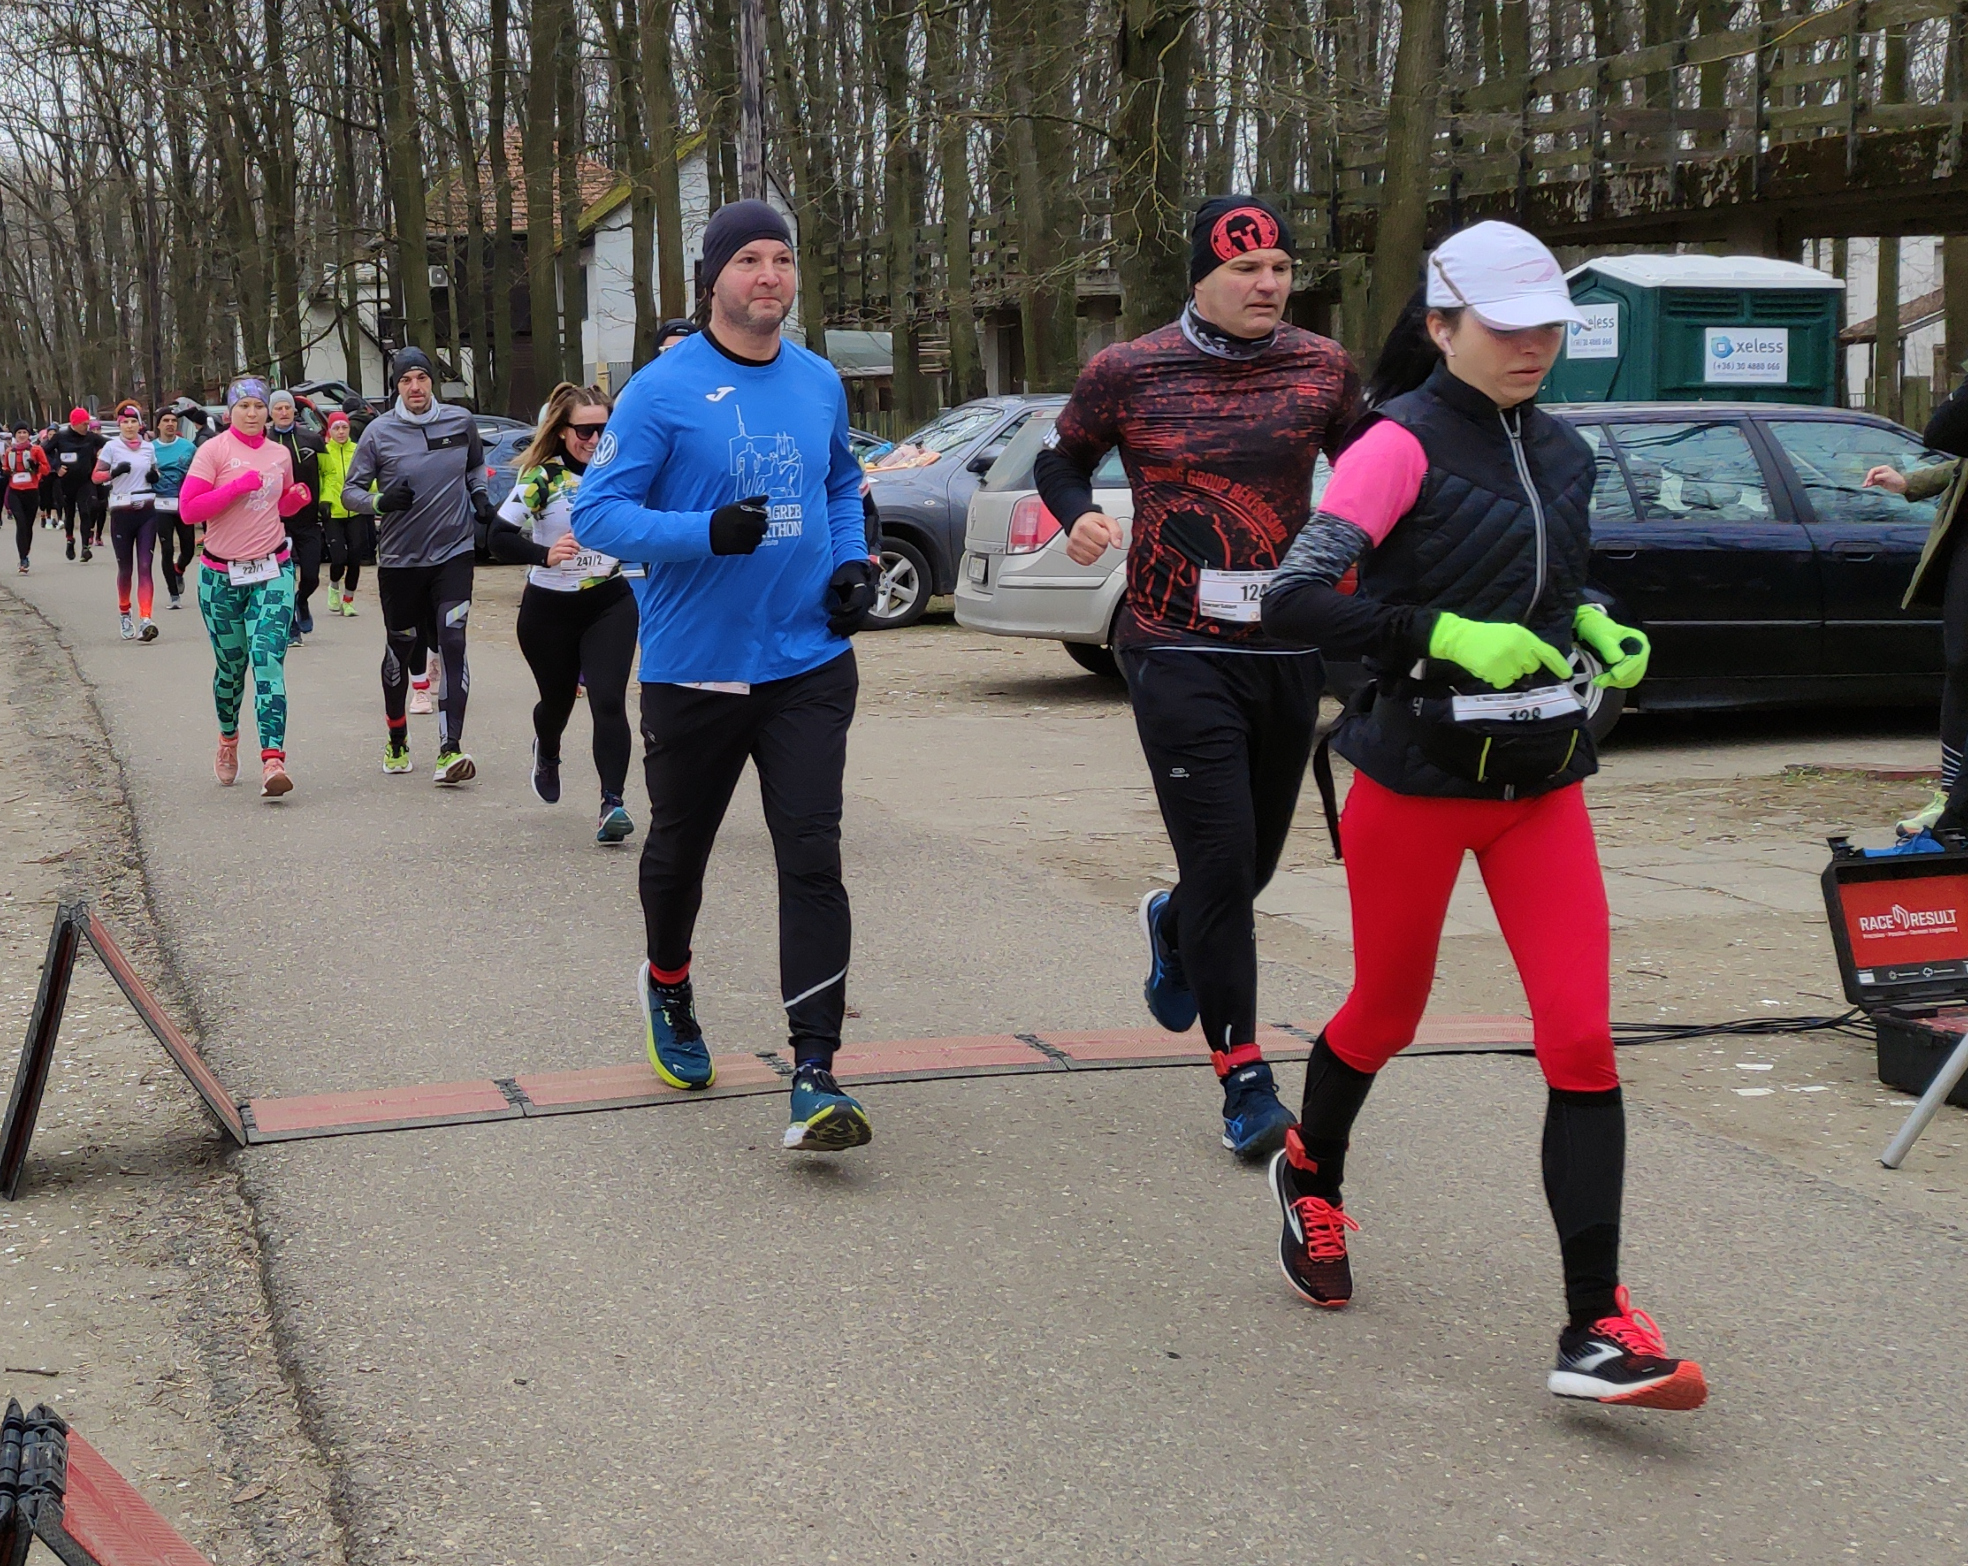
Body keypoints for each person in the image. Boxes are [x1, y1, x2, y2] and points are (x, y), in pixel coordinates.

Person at [1254, 221, 1703, 1410]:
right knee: (1388, 1010)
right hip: (1416, 780)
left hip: (1541, 783)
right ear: (1442, 325)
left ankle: (1595, 1324)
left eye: (1549, 326)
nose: (1533, 347)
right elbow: (1294, 597)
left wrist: (1594, 620)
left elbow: (1548, 578)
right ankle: (1311, 1171)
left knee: (1582, 1037)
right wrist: (1442, 635)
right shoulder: (1394, 444)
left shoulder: (1564, 449)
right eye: (1507, 328)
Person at [1032, 195, 1359, 1162]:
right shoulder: (1128, 370)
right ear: (1201, 280)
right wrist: (1077, 514)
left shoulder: (1323, 368)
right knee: (1221, 862)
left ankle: (1174, 926)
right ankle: (1245, 1079)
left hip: (1284, 645)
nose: (1268, 284)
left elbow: (1376, 471)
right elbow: (1062, 461)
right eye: (1246, 269)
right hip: (1173, 643)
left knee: (1249, 870)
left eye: (1280, 268)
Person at [572, 199, 877, 1152]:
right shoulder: (661, 390)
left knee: (813, 856)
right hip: (696, 669)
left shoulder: (818, 379)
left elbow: (839, 482)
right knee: (680, 853)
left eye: (781, 258)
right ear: (713, 278)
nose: (769, 275)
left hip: (809, 661)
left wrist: (852, 563)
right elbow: (597, 515)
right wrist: (703, 532)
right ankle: (668, 982)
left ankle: (815, 1073)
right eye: (748, 259)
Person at [489, 382, 638, 843]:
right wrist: (544, 554)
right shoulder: (542, 478)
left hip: (608, 602)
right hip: (548, 612)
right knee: (557, 704)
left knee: (608, 700)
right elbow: (496, 538)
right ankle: (548, 750)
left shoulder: (624, 474)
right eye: (584, 431)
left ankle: (612, 804)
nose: (594, 441)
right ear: (562, 431)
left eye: (603, 430)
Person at [340, 346, 492, 783]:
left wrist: (480, 497)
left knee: (453, 640)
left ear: (432, 382)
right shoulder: (378, 432)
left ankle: (450, 749)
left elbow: (475, 467)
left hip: (454, 553)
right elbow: (350, 493)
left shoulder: (460, 422)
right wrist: (380, 502)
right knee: (402, 645)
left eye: (422, 378)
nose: (415, 387)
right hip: (400, 561)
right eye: (406, 380)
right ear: (396, 387)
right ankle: (397, 739)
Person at [176, 375, 313, 798]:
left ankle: (273, 760)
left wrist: (295, 499)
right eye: (244, 407)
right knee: (232, 669)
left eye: (259, 406)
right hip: (221, 576)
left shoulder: (279, 454)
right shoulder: (213, 451)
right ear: (230, 412)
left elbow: (278, 505)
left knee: (267, 660)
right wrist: (236, 486)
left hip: (272, 569)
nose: (253, 414)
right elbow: (188, 510)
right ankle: (228, 737)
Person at [94, 401, 161, 641]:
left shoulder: (148, 448)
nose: (130, 426)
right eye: (125, 422)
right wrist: (113, 473)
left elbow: (155, 471)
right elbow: (96, 476)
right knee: (126, 568)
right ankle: (125, 613)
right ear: (119, 424)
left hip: (146, 511)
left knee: (145, 566)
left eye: (134, 421)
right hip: (122, 512)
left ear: (140, 424)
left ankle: (146, 620)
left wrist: (154, 476)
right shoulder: (111, 447)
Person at [267, 390, 326, 640]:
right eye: (278, 408)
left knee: (311, 576)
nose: (283, 412)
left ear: (294, 410)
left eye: (287, 408)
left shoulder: (311, 439)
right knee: (283, 575)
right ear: (270, 412)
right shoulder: (264, 441)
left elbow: (328, 473)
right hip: (277, 520)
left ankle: (302, 600)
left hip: (308, 519)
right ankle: (290, 625)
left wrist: (326, 501)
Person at [318, 409, 367, 616]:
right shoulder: (324, 452)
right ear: (329, 430)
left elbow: (368, 476)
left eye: (344, 427)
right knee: (339, 558)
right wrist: (323, 502)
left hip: (355, 510)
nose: (341, 432)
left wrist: (373, 493)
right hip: (333, 513)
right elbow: (321, 479)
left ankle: (348, 600)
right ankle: (334, 585)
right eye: (336, 428)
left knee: (355, 558)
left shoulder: (358, 450)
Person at [151, 410, 199, 609]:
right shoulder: (150, 449)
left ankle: (179, 569)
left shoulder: (189, 447)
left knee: (189, 548)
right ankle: (174, 595)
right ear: (158, 425)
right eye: (165, 421)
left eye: (173, 420)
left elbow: (199, 472)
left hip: (184, 503)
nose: (170, 424)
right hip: (160, 504)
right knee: (167, 549)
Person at [44, 409, 104, 562]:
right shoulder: (60, 437)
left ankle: (85, 547)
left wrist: (102, 452)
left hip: (85, 480)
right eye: (84, 424)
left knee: (86, 510)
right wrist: (56, 467)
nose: (86, 427)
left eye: (88, 424)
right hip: (66, 481)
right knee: (69, 512)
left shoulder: (91, 437)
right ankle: (70, 540)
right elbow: (43, 452)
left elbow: (111, 444)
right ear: (74, 424)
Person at [4, 424, 50, 572]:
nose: (22, 435)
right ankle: (22, 558)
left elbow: (46, 470)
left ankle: (26, 552)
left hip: (31, 491)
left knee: (28, 525)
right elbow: (6, 469)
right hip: (15, 492)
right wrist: (5, 472)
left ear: (29, 435)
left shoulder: (36, 450)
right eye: (19, 432)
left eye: (24, 432)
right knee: (21, 524)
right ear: (15, 435)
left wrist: (36, 466)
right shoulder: (9, 451)